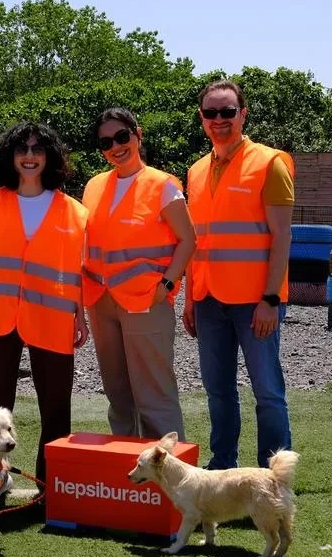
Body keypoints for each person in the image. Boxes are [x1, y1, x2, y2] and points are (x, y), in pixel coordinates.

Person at [0, 121, 89, 496]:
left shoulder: (74, 211)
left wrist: (80, 315)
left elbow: (77, 268)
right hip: (1, 318)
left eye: (38, 149)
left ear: (50, 157)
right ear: (12, 157)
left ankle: (50, 492)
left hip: (53, 320)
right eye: (23, 149)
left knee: (56, 409)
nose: (31, 156)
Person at [181, 79, 294, 470]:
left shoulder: (270, 163)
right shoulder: (195, 171)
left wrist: (271, 299)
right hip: (208, 299)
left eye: (228, 111)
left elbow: (282, 237)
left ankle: (273, 477)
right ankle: (223, 468)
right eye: (211, 112)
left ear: (243, 114)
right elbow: (194, 240)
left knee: (268, 393)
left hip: (255, 302)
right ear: (201, 118)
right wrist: (190, 298)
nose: (219, 119)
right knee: (218, 391)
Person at [81, 107, 196, 439]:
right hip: (102, 302)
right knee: (118, 395)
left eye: (122, 136)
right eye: (106, 142)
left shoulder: (162, 185)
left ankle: (173, 478)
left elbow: (189, 240)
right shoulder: (94, 186)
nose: (116, 146)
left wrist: (168, 283)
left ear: (137, 134)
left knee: (154, 396)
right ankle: (128, 475)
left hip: (147, 302)